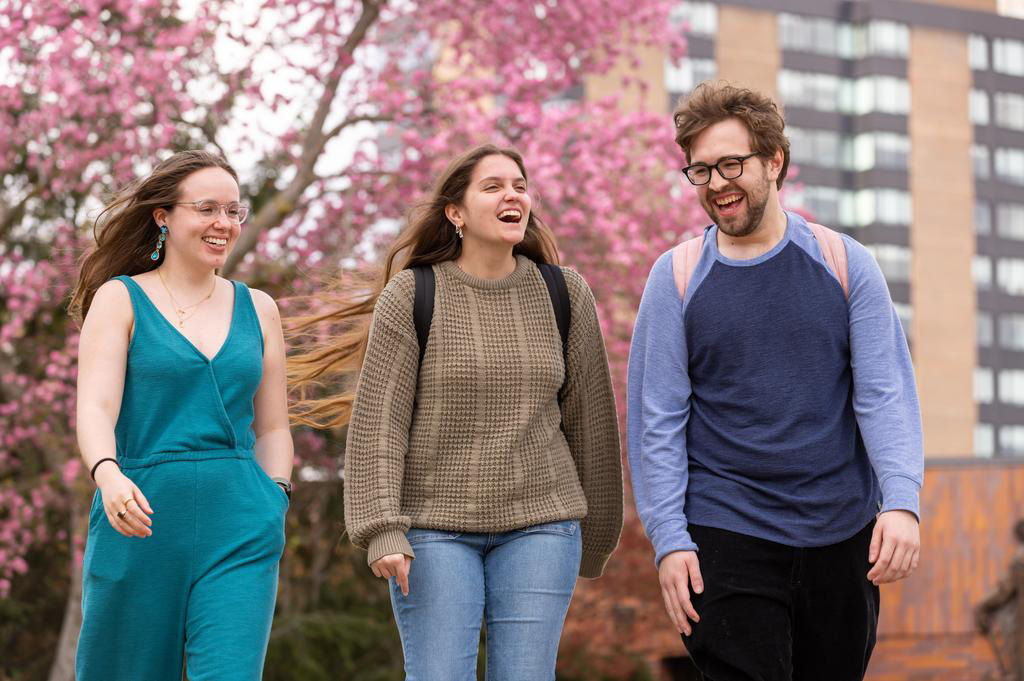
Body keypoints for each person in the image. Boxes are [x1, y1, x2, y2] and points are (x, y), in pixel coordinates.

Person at [289, 144, 623, 680]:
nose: (512, 194)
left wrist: (598, 534)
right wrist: (381, 529)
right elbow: (380, 424)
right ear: (456, 212)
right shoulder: (413, 294)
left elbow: (592, 425)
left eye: (519, 184)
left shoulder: (565, 294)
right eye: (493, 186)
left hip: (542, 523)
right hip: (432, 530)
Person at [627, 82, 924, 681]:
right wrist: (670, 538)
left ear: (774, 162)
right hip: (725, 532)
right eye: (701, 170)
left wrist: (902, 503)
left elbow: (884, 395)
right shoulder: (676, 278)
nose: (716, 183)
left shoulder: (845, 264)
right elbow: (656, 419)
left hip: (841, 535)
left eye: (731, 164)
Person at [70, 150, 293, 681]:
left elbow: (275, 426)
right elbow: (95, 407)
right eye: (207, 208)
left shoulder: (260, 308)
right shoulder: (119, 299)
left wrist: (275, 495)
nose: (224, 223)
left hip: (241, 521)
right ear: (163, 216)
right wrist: (109, 475)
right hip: (140, 515)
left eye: (235, 211)